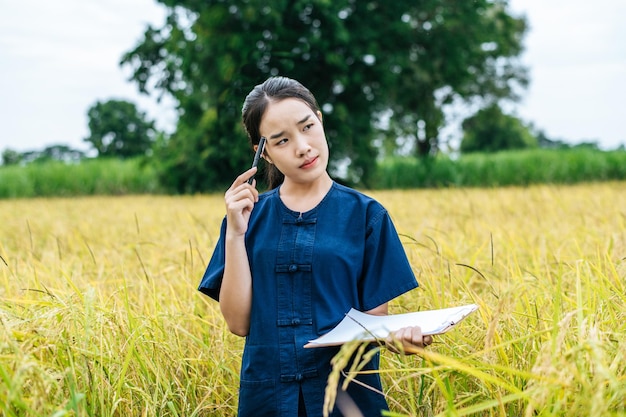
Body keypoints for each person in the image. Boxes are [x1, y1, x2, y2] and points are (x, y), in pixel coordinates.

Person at [198, 76, 432, 417]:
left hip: (348, 400)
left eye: (307, 127)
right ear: (264, 154)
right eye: (282, 141)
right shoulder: (247, 221)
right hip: (267, 402)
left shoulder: (367, 216)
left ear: (320, 121)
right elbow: (238, 323)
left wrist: (399, 340)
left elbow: (373, 323)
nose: (303, 147)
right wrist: (235, 234)